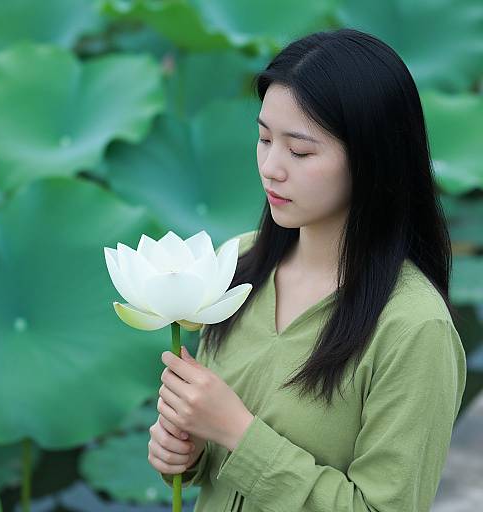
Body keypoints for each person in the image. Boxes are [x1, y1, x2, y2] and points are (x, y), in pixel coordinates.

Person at [148, 27, 467, 512]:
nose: (272, 166)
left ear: (371, 159)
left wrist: (237, 431)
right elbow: (212, 466)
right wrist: (188, 452)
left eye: (299, 151)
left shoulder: (414, 328)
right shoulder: (237, 261)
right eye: (263, 138)